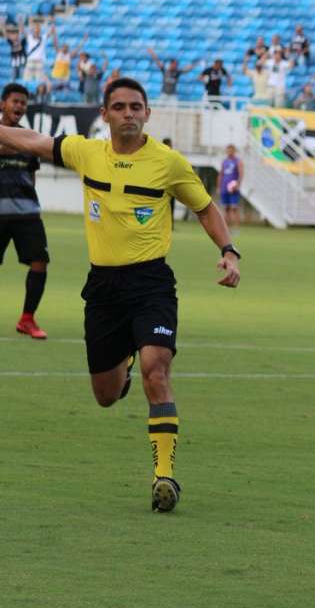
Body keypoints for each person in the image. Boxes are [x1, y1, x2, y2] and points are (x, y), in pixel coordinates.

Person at [0, 77, 241, 512]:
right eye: (120, 107)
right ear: (105, 114)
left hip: (152, 284)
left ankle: (164, 476)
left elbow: (205, 207)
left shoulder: (168, 163)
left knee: (157, 368)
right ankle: (124, 362)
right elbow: (32, 140)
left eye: (136, 107)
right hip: (104, 290)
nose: (128, 113)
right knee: (106, 395)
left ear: (147, 113)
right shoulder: (86, 152)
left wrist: (228, 251)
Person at [0, 84, 49, 339]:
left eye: (23, 103)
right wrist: (24, 145)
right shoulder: (28, 140)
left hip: (27, 213)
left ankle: (27, 319)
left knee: (40, 262)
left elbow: (31, 174)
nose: (19, 106)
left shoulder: (29, 136)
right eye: (15, 101)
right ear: (2, 104)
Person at [217, 144, 244, 232]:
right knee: (226, 208)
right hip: (224, 188)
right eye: (228, 150)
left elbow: (241, 174)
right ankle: (226, 229)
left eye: (231, 150)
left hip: (233, 188)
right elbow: (221, 174)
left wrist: (238, 185)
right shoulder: (224, 161)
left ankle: (236, 228)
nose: (229, 152)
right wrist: (219, 187)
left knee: (234, 208)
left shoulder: (238, 161)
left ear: (234, 151)